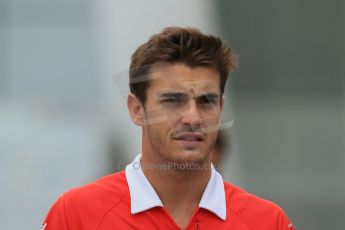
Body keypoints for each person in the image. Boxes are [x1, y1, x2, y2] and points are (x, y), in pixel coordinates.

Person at [41, 27, 295, 230]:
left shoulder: (268, 222)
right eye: (173, 100)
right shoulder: (76, 215)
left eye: (206, 101)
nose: (192, 117)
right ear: (136, 109)